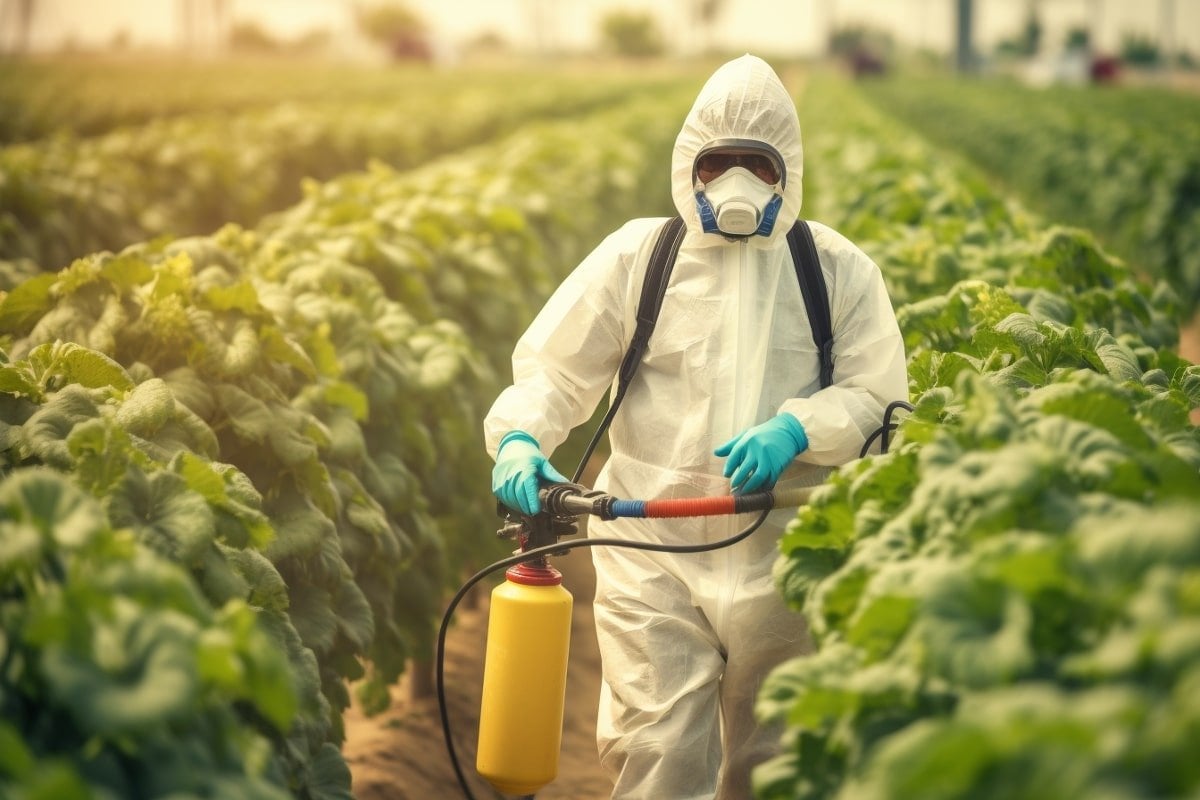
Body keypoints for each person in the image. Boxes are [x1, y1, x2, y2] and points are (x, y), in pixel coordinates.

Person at [484, 54, 908, 800]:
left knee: (774, 767)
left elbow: (878, 397)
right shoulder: (638, 256)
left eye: (758, 162)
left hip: (787, 554)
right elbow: (554, 369)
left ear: (788, 171)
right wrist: (523, 435)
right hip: (650, 549)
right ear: (691, 165)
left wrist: (798, 430)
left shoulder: (835, 268)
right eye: (720, 161)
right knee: (660, 757)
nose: (736, 180)